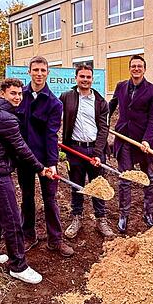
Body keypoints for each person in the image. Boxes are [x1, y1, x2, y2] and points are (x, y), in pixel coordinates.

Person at [0, 78, 51, 284]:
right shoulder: (6, 117)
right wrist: (40, 168)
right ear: (3, 94)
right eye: (12, 93)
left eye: (19, 94)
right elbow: (21, 149)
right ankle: (18, 266)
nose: (17, 97)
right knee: (12, 220)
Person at [15, 56, 72, 257]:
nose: (39, 74)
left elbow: (51, 135)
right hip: (23, 159)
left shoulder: (54, 104)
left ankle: (55, 240)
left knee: (50, 199)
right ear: (28, 71)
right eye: (35, 70)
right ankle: (29, 235)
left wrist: (52, 163)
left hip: (44, 159)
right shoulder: (19, 97)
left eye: (43, 70)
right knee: (27, 197)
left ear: (48, 73)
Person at [60, 64, 114, 239]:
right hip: (74, 149)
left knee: (97, 186)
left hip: (95, 150)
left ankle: (101, 219)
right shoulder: (66, 97)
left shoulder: (100, 102)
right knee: (77, 186)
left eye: (88, 77)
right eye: (82, 76)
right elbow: (53, 117)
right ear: (76, 78)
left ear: (92, 79)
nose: (85, 80)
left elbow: (104, 129)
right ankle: (77, 218)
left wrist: (98, 153)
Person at [108, 54, 153, 233]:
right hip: (124, 139)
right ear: (129, 68)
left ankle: (148, 212)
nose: (136, 69)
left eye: (139, 66)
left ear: (144, 69)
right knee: (125, 178)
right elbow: (111, 106)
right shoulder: (121, 86)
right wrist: (102, 122)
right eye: (133, 66)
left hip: (144, 140)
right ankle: (124, 214)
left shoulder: (152, 90)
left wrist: (147, 139)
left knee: (149, 178)